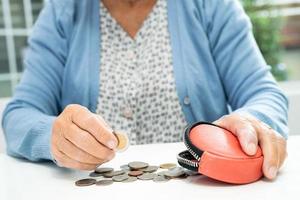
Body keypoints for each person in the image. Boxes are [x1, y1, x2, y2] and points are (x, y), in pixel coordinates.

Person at [2, 0, 288, 181]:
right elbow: (19, 114)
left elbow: (264, 93)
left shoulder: (211, 5)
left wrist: (251, 120)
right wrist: (53, 135)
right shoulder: (61, 11)